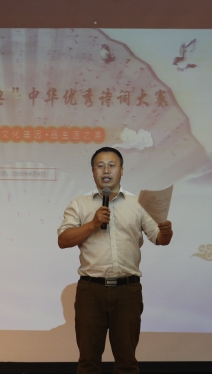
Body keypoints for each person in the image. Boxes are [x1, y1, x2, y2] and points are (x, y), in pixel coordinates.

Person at [57, 146, 173, 374]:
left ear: (122, 170)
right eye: (100, 166)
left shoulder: (138, 204)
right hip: (91, 291)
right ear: (93, 171)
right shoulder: (79, 204)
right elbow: (63, 240)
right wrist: (92, 224)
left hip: (127, 291)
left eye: (112, 165)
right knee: (88, 362)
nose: (106, 170)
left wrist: (166, 232)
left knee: (127, 363)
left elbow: (159, 239)